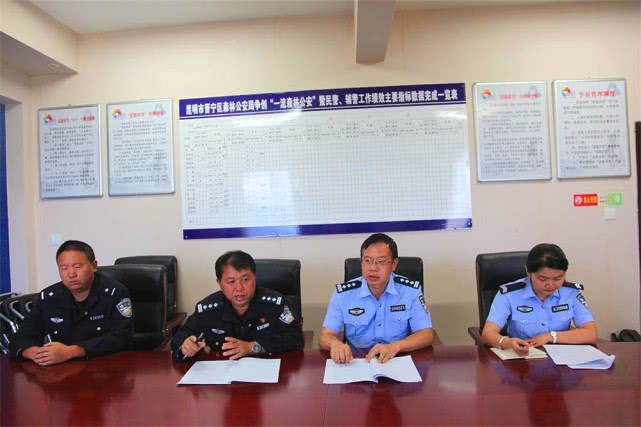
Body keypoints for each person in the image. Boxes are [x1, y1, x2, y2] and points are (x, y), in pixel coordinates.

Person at [9, 240, 133, 365]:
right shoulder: (49, 297)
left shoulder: (114, 293)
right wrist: (34, 353)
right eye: (64, 268)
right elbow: (22, 336)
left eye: (78, 267)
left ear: (94, 266)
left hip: (105, 365)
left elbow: (122, 337)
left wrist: (73, 351)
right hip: (62, 368)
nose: (71, 274)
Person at [319, 233, 433, 364]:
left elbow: (426, 334)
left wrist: (395, 347)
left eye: (381, 262)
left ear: (394, 264)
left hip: (397, 360)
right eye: (367, 261)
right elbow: (325, 336)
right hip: (356, 362)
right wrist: (335, 344)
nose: (373, 268)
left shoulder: (410, 291)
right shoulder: (343, 294)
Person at [171, 250, 304, 360]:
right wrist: (186, 346)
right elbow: (180, 337)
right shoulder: (208, 309)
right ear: (219, 283)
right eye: (231, 282)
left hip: (268, 373)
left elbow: (295, 338)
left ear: (255, 278)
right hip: (223, 376)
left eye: (245, 279)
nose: (239, 288)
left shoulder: (276, 304)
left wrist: (252, 347)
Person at [481, 243, 597, 355]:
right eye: (543, 279)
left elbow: (591, 334)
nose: (551, 285)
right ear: (528, 271)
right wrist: (508, 343)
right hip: (523, 357)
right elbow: (488, 333)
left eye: (558, 278)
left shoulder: (571, 293)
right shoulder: (510, 294)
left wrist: (550, 336)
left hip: (561, 358)